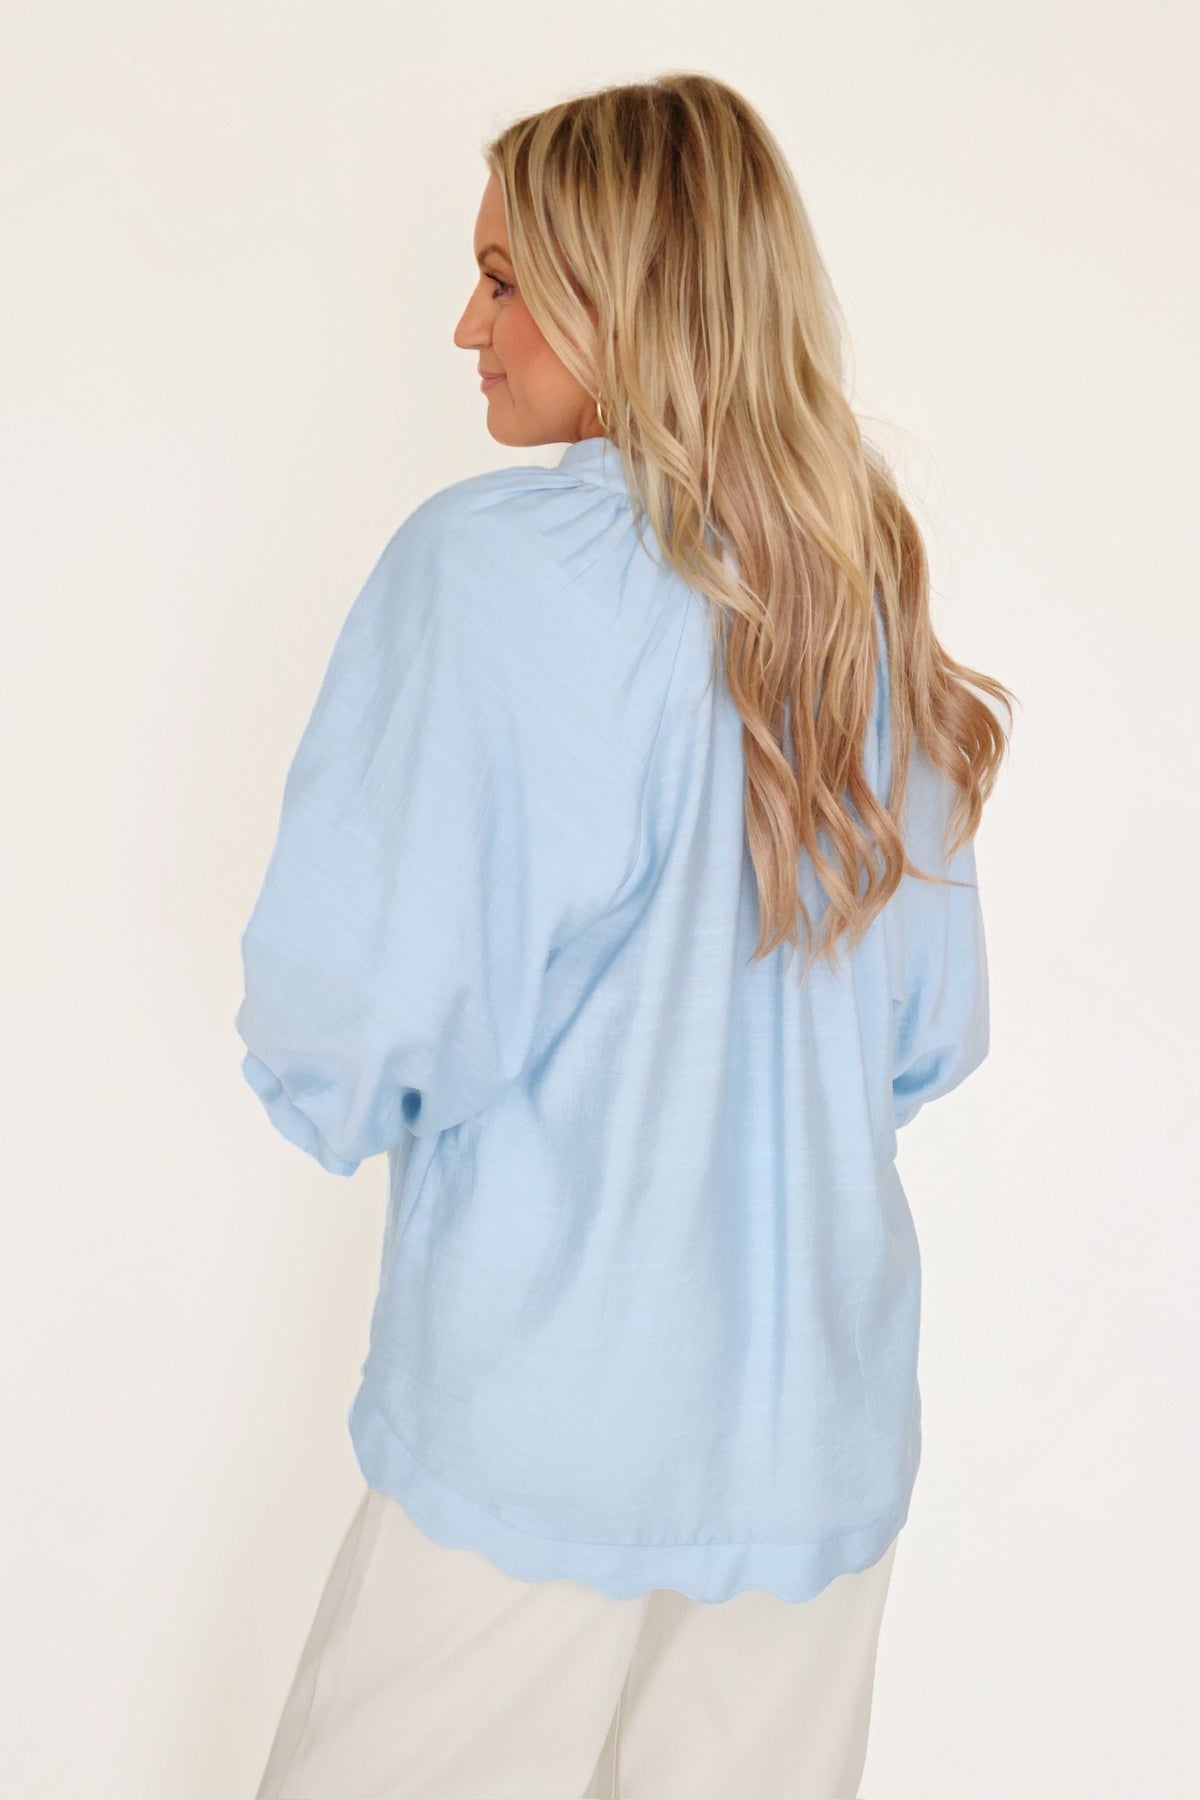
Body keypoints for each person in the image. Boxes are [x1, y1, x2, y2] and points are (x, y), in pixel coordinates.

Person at [236, 72, 1015, 1800]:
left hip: (539, 1415)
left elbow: (357, 1007)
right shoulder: (858, 590)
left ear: (628, 295)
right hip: (813, 1430)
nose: (468, 326)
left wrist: (340, 1095)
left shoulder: (489, 572)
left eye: (505, 279)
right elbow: (925, 1036)